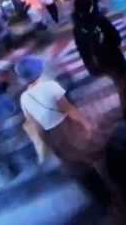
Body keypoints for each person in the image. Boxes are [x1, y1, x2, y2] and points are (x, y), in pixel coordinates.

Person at [16, 57, 115, 209]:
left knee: (76, 167)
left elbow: (33, 123)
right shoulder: (49, 85)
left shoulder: (24, 98)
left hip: (50, 134)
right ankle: (118, 189)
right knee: (95, 150)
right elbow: (67, 108)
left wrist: (43, 143)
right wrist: (85, 122)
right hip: (67, 127)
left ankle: (103, 199)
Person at [72, 0, 126, 128]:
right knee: (123, 87)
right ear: (91, 5)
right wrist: (121, 54)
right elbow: (115, 37)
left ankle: (114, 114)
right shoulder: (100, 19)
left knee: (110, 89)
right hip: (113, 59)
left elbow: (82, 50)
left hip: (96, 65)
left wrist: (89, 65)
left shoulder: (77, 28)